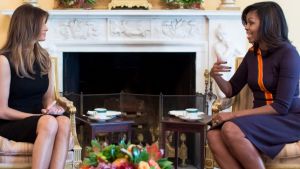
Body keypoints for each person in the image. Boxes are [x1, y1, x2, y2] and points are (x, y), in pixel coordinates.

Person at [207, 2, 300, 169]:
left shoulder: (289, 54)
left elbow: (281, 107)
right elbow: (230, 90)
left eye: (251, 23)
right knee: (213, 135)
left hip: (288, 118)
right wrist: (215, 75)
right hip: (261, 119)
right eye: (246, 23)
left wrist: (232, 115)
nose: (246, 27)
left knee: (230, 129)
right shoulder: (252, 54)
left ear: (267, 24)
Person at [0, 4, 70, 169]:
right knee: (49, 123)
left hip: (40, 120)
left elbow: (48, 99)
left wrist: (53, 108)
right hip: (10, 122)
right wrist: (37, 117)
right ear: (29, 26)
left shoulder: (44, 58)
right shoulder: (4, 61)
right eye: (42, 23)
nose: (46, 28)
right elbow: (2, 110)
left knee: (64, 122)